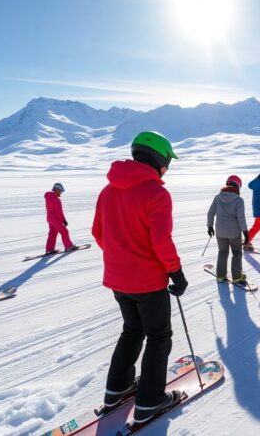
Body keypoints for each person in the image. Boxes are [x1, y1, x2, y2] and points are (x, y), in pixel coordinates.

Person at [92, 130, 189, 424]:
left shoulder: (108, 190)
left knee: (131, 331)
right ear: (159, 159)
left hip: (117, 279)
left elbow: (98, 233)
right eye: (168, 161)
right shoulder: (157, 193)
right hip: (148, 282)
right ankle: (149, 402)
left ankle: (116, 390)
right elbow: (161, 241)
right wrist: (176, 273)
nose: (167, 168)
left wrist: (123, 257)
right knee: (159, 337)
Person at [207, 175, 249, 285]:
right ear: (237, 186)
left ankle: (220, 276)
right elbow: (241, 218)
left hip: (220, 232)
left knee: (222, 252)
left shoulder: (217, 197)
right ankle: (237, 277)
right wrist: (246, 232)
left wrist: (210, 226)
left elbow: (211, 213)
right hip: (234, 233)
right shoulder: (239, 200)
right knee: (237, 253)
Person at [44, 182, 75, 254]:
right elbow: (59, 212)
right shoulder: (56, 199)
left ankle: (49, 249)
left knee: (52, 233)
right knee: (64, 232)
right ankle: (69, 246)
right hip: (55, 218)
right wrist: (64, 220)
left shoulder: (48, 197)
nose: (61, 193)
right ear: (56, 190)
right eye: (60, 191)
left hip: (49, 218)